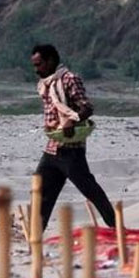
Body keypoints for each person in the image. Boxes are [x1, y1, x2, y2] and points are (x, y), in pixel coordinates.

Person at [30, 44, 115, 230]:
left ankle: (116, 228)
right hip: (52, 147)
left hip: (71, 150)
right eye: (35, 66)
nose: (37, 70)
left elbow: (87, 108)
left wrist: (72, 120)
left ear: (51, 61)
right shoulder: (46, 84)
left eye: (40, 65)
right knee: (40, 193)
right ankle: (34, 238)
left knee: (91, 191)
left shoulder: (70, 79)